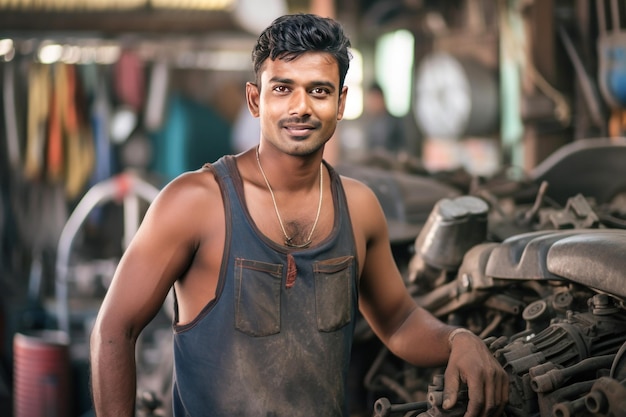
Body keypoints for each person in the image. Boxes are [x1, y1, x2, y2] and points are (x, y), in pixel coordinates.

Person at [89, 13, 508, 417]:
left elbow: (399, 321)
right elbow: (114, 330)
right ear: (256, 99)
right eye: (283, 89)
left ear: (341, 102)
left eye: (320, 91)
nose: (301, 107)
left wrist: (458, 340)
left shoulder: (358, 207)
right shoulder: (195, 202)